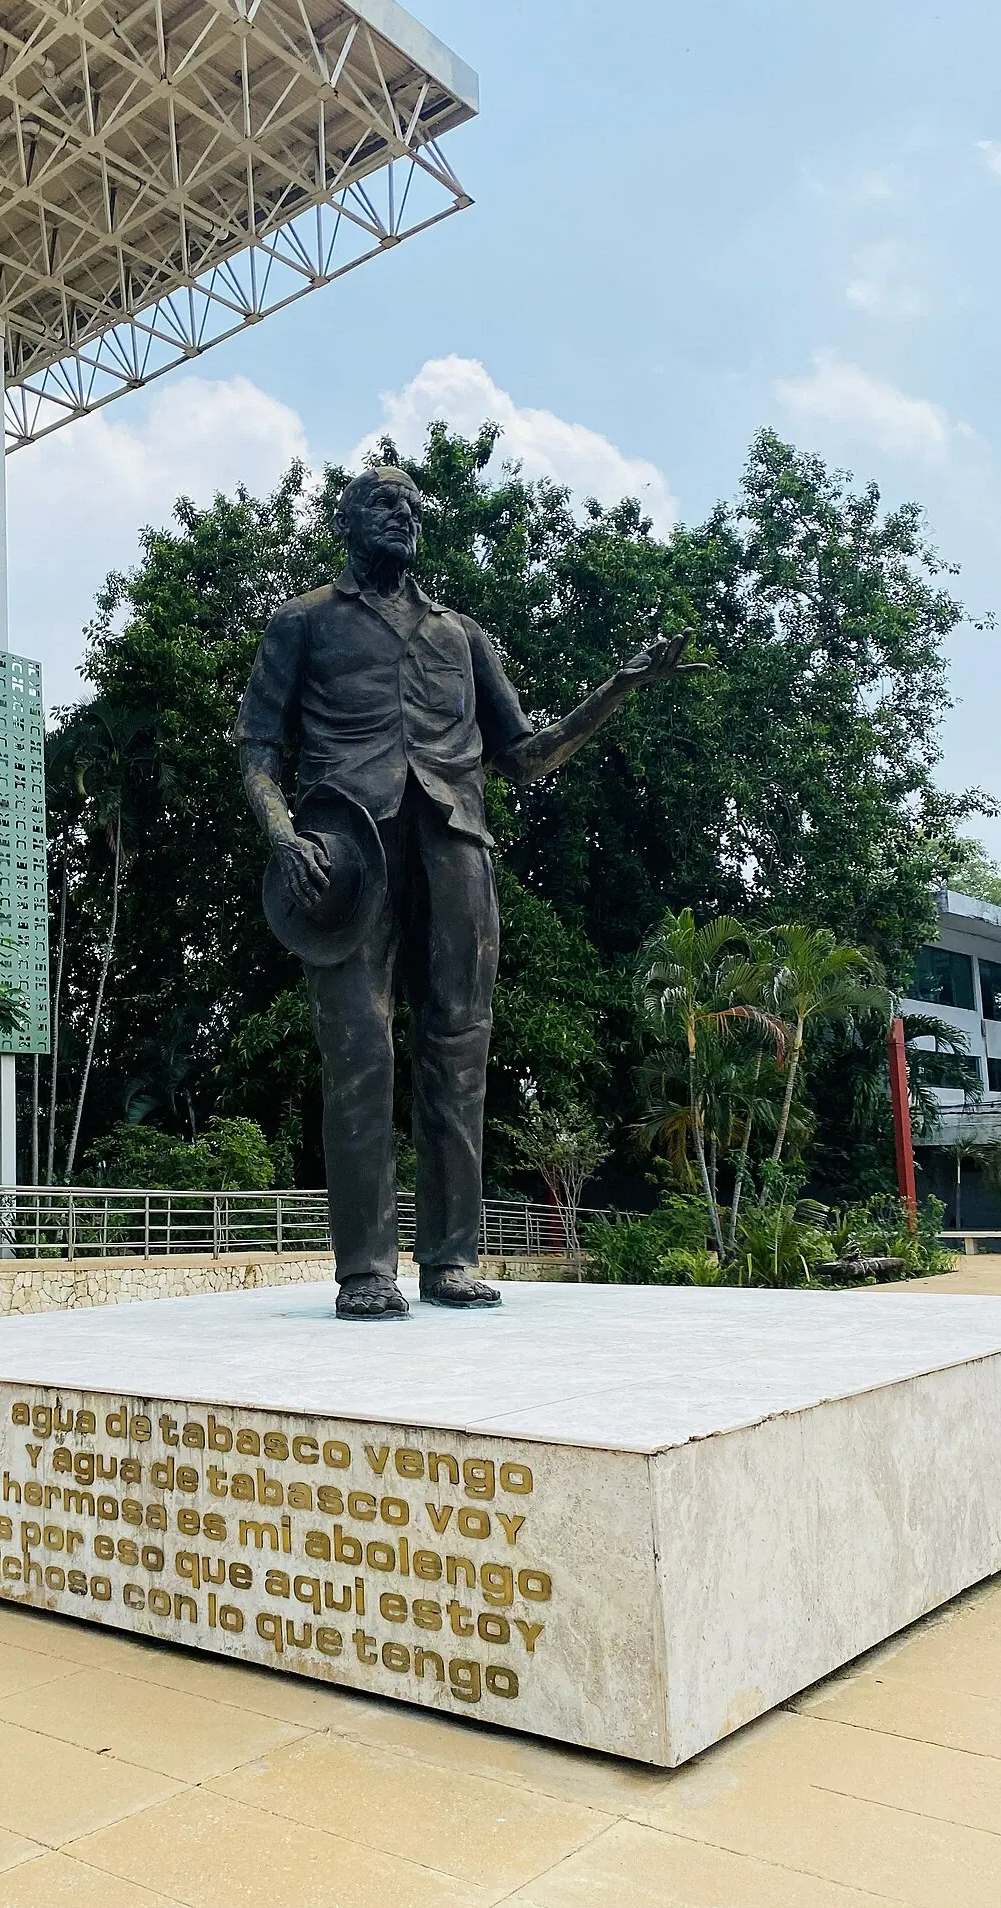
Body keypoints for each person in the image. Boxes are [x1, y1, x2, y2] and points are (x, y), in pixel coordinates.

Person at [237, 464, 698, 1319]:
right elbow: (259, 749)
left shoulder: (461, 635)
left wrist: (617, 689)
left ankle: (451, 1259)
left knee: (459, 1049)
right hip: (345, 852)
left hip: (455, 845)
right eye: (385, 502)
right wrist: (282, 834)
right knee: (360, 1053)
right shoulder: (303, 622)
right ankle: (366, 1269)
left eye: (413, 507)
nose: (403, 515)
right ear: (347, 519)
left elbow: (524, 757)